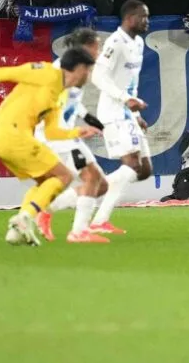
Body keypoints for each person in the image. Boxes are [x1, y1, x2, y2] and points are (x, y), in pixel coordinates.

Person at [0, 46, 100, 246]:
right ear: (78, 69)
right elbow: (7, 72)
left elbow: (52, 132)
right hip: (12, 134)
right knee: (64, 176)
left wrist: (77, 132)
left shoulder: (58, 94)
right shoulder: (45, 72)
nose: (88, 76)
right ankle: (25, 218)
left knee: (44, 182)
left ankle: (17, 229)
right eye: (88, 70)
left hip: (2, 138)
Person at [35, 29, 112, 244]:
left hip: (67, 135)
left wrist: (89, 118)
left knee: (102, 185)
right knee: (92, 179)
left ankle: (47, 210)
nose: (99, 51)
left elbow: (73, 102)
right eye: (96, 46)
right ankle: (79, 232)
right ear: (84, 47)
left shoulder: (78, 68)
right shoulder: (59, 71)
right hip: (56, 137)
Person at [86, 0, 153, 237]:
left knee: (144, 170)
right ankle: (94, 210)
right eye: (144, 17)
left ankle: (93, 194)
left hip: (126, 112)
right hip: (113, 112)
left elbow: (130, 82)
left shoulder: (139, 42)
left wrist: (134, 113)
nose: (148, 21)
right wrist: (125, 100)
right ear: (130, 18)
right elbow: (98, 77)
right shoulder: (115, 42)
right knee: (131, 165)